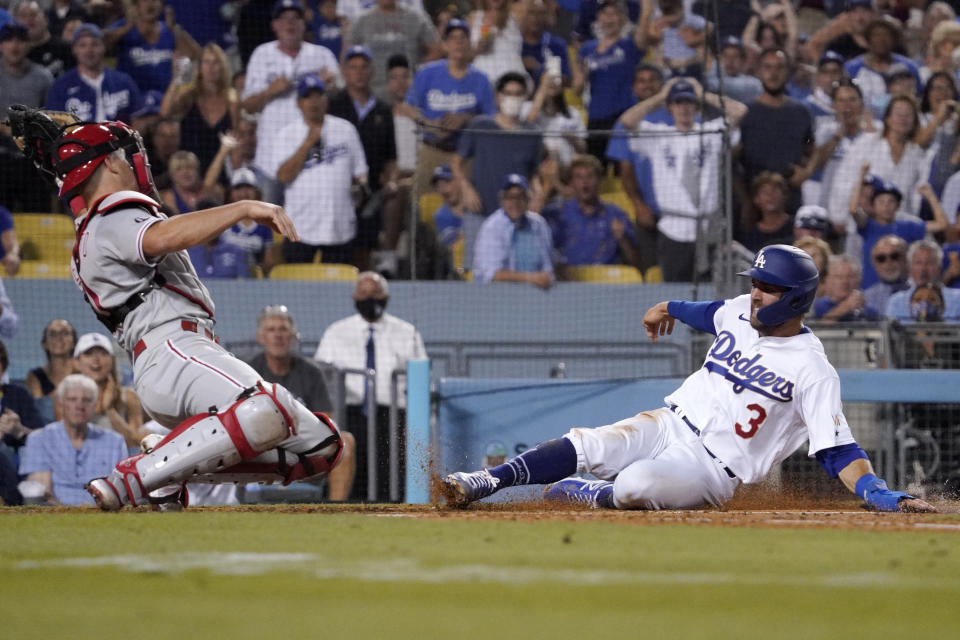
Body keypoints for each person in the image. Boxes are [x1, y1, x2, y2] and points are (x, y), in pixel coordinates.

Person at [6, 104, 345, 510]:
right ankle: (135, 477)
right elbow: (161, 238)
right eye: (125, 154)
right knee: (264, 409)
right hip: (172, 349)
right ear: (109, 164)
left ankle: (168, 468)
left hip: (179, 356)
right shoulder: (111, 213)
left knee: (321, 447)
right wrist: (244, 207)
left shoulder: (97, 224)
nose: (136, 162)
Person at [441, 244, 936, 514]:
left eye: (769, 287)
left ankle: (590, 493)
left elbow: (837, 449)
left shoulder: (812, 368)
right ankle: (483, 482)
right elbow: (707, 312)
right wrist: (666, 307)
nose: (757, 293)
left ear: (795, 298)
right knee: (588, 441)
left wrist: (874, 489)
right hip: (669, 421)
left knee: (634, 486)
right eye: (756, 283)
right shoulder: (741, 310)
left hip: (711, 470)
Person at [619, 77, 747, 281]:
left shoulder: (711, 131)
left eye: (689, 102)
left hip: (708, 228)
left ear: (696, 106)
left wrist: (703, 94)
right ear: (670, 107)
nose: (684, 108)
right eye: (678, 102)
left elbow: (739, 111)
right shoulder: (659, 134)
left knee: (710, 294)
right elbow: (627, 121)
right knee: (676, 293)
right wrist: (660, 96)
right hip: (673, 228)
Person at [314, 271, 425, 501]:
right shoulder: (336, 332)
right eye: (363, 293)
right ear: (354, 297)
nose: (369, 298)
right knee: (348, 462)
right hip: (350, 413)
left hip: (393, 415)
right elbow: (322, 377)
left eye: (375, 293)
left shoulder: (407, 333)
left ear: (386, 297)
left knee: (392, 471)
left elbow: (420, 377)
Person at [248, 305, 355, 501]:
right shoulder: (249, 372)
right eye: (271, 330)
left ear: (293, 336)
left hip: (302, 448)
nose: (278, 335)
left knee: (345, 442)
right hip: (261, 448)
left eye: (283, 329)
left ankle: (335, 514)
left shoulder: (311, 372)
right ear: (261, 338)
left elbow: (326, 419)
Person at [273, 74, 369, 265]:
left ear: (326, 100)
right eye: (308, 97)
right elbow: (283, 176)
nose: (314, 102)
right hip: (301, 227)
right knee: (298, 288)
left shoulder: (345, 129)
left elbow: (361, 173)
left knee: (339, 289)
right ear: (299, 103)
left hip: (340, 226)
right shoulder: (287, 135)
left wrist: (359, 188)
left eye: (318, 96)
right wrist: (308, 142)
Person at [241, 0, 342, 180]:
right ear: (274, 25)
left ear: (304, 24)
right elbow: (248, 106)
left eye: (295, 18)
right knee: (268, 208)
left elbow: (341, 97)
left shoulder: (322, 55)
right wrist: (270, 91)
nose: (290, 23)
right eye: (284, 19)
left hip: (313, 153)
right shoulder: (262, 54)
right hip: (270, 158)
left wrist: (331, 86)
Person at [327, 45, 401, 273]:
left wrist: (391, 179)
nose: (358, 72)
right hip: (337, 185)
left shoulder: (383, 109)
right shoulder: (332, 105)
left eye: (363, 68)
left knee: (393, 197)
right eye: (353, 68)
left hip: (371, 189)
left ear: (371, 72)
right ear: (345, 73)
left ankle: (385, 259)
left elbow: (391, 157)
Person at [401, 18, 496, 196]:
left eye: (463, 38)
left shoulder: (481, 79)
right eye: (452, 38)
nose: (458, 42)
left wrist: (465, 118)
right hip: (431, 149)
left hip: (464, 155)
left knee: (464, 207)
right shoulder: (427, 72)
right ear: (445, 45)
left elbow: (491, 119)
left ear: (469, 43)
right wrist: (430, 124)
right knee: (422, 205)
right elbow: (407, 107)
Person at [18, 374, 128, 506]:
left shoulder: (114, 442)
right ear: (60, 404)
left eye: (86, 400)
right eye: (72, 399)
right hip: (55, 517)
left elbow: (120, 494)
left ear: (94, 405)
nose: (79, 406)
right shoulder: (39, 439)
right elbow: (43, 495)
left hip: (104, 515)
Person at [452, 71, 545, 218]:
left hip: (515, 213)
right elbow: (456, 163)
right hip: (479, 211)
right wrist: (466, 188)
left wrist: (538, 193)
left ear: (525, 97)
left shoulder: (533, 133)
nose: (513, 98)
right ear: (498, 96)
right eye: (508, 93)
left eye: (518, 93)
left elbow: (533, 174)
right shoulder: (480, 125)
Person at [738, 48, 813, 214]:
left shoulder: (801, 112)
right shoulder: (745, 113)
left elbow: (810, 148)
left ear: (788, 71)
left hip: (790, 202)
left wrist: (807, 170)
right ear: (759, 71)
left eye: (779, 67)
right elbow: (733, 162)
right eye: (768, 67)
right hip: (754, 205)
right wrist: (745, 201)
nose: (773, 73)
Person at [848, 165, 948, 288]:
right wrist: (861, 177)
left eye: (891, 201)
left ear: (898, 206)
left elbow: (942, 224)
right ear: (873, 205)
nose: (886, 206)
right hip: (871, 291)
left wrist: (930, 195)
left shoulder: (908, 226)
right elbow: (853, 210)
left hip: (902, 289)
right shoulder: (868, 226)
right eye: (881, 202)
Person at [574, 0, 646, 163]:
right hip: (596, 116)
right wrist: (583, 73)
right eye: (605, 14)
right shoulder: (587, 48)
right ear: (598, 18)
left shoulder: (629, 44)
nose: (609, 19)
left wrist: (646, 6)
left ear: (622, 19)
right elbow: (577, 88)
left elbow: (644, 29)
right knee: (596, 165)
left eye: (614, 14)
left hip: (623, 114)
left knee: (624, 165)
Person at [0, 21, 55, 213]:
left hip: (32, 156)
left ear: (29, 45)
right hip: (1, 155)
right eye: (9, 40)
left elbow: (50, 118)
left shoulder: (43, 77)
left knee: (38, 208)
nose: (15, 46)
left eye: (21, 41)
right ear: (1, 45)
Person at [550, 154, 640, 269]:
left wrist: (623, 239)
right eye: (579, 177)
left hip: (606, 282)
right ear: (571, 182)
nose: (585, 182)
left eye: (590, 176)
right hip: (568, 281)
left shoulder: (616, 214)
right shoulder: (557, 214)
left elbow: (636, 262)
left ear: (599, 180)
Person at [160, 42, 238, 172]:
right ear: (200, 67)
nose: (211, 67)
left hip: (221, 169)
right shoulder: (190, 96)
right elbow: (165, 112)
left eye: (215, 62)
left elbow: (235, 137)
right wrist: (176, 79)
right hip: (189, 169)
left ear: (222, 67)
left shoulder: (232, 100)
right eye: (206, 62)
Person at [45, 23, 142, 123]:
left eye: (94, 44)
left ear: (104, 47)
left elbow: (139, 119)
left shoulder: (124, 82)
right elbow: (54, 127)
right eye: (83, 45)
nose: (89, 50)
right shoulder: (60, 86)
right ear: (74, 49)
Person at [472, 173, 554, 288]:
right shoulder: (491, 227)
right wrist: (530, 278)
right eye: (510, 197)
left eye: (520, 197)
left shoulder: (540, 225)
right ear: (502, 200)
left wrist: (543, 278)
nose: (515, 202)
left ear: (528, 199)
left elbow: (548, 269)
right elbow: (491, 275)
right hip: (496, 296)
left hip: (535, 297)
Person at [346, 0, 441, 99]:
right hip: (372, 94)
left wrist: (419, 75)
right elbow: (347, 56)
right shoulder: (361, 21)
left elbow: (437, 49)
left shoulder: (416, 17)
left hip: (409, 94)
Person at [103, 0, 201, 94]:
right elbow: (100, 43)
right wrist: (126, 28)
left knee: (187, 70)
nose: (150, 3)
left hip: (164, 102)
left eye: (154, 0)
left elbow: (197, 56)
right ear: (136, 6)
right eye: (145, 0)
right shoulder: (124, 26)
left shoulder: (169, 29)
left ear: (161, 5)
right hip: (134, 103)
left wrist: (175, 29)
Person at [73, 332, 147, 449]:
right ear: (76, 362)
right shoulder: (66, 397)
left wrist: (110, 410)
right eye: (89, 354)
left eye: (103, 353)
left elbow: (136, 443)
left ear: (112, 360)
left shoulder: (128, 396)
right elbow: (68, 440)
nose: (96, 359)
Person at [886, 240, 960, 321]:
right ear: (910, 269)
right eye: (918, 263)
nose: (923, 269)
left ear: (939, 268)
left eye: (929, 263)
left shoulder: (957, 299)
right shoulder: (896, 301)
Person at [24, 319, 77, 426]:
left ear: (74, 343)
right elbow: (39, 412)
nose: (59, 338)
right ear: (45, 344)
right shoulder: (35, 376)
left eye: (65, 333)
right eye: (53, 334)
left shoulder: (83, 371)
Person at [468, 0, 529, 88]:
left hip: (512, 79)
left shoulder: (516, 14)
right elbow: (467, 54)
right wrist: (480, 46)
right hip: (482, 77)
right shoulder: (474, 17)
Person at [13, 1, 74, 79]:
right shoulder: (14, 56)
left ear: (46, 19)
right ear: (15, 23)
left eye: (33, 14)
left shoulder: (66, 49)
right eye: (23, 16)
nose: (29, 19)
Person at [812, 254, 879, 321]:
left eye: (850, 276)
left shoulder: (869, 310)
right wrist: (845, 307)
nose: (844, 281)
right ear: (827, 280)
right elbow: (821, 327)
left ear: (858, 280)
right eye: (838, 277)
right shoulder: (819, 306)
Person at [706, 36, 763, 105]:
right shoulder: (715, 78)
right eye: (725, 56)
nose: (730, 61)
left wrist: (713, 64)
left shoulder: (753, 84)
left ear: (742, 60)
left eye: (735, 56)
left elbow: (713, 85)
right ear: (720, 59)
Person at [863, 234, 909, 313]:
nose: (888, 262)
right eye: (881, 258)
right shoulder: (866, 299)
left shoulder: (921, 292)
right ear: (874, 264)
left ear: (906, 258)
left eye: (894, 256)